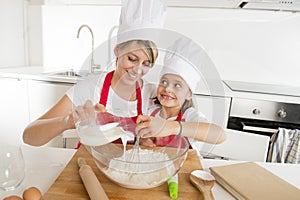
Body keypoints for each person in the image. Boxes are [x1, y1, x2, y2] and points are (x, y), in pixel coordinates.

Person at [23, 0, 167, 146]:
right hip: (89, 165)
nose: (137, 69)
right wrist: (68, 121)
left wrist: (151, 141)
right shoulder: (89, 88)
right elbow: (29, 136)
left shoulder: (155, 96)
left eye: (146, 64)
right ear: (117, 50)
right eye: (132, 59)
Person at [136, 37, 226, 148]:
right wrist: (146, 142)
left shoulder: (190, 115)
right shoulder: (150, 111)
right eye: (164, 81)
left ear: (189, 94)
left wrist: (172, 127)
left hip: (186, 164)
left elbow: (219, 135)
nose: (168, 89)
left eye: (177, 85)